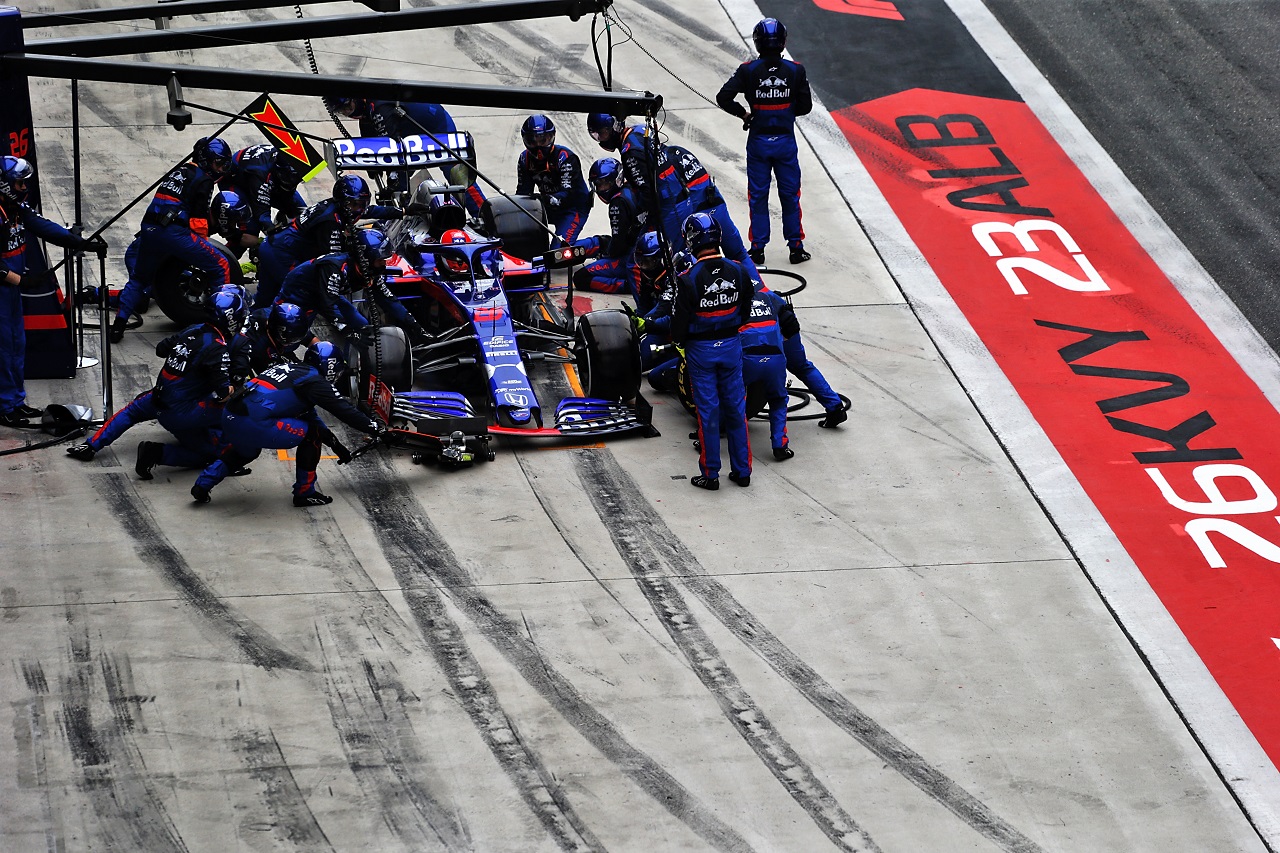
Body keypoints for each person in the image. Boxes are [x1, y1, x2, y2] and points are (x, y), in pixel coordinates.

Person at [190, 340, 385, 507]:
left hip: (231, 416)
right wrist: (374, 428)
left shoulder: (295, 370)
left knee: (246, 452)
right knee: (311, 436)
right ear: (331, 366)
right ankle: (305, 492)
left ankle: (202, 484)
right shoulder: (316, 382)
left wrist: (336, 445)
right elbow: (344, 410)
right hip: (253, 421)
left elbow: (310, 415)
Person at [0, 156, 107, 427]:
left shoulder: (15, 208)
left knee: (15, 345)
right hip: (3, 289)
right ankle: (4, 405)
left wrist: (82, 243)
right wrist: (19, 281)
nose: (24, 187)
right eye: (19, 183)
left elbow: (46, 228)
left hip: (8, 292)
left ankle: (14, 402)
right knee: (3, 348)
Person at [111, 137, 234, 342]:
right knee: (220, 264)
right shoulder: (203, 179)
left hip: (149, 230)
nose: (221, 169)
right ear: (205, 160)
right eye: (218, 163)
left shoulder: (178, 171)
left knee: (139, 279)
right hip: (174, 233)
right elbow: (198, 223)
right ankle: (222, 323)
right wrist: (203, 250)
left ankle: (118, 326)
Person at [716, 17, 813, 265]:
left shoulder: (748, 70)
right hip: (785, 143)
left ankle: (757, 249)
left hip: (758, 143)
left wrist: (745, 114)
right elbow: (805, 107)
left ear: (758, 42)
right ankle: (795, 248)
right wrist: (785, 110)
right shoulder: (796, 70)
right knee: (790, 195)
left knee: (757, 196)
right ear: (782, 42)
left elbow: (723, 96)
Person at [671, 212, 754, 490]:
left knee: (708, 412)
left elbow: (678, 325)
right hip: (731, 345)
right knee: (736, 409)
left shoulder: (687, 279)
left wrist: (682, 340)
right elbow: (745, 313)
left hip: (700, 350)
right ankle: (742, 472)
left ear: (691, 241)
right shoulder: (740, 271)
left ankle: (711, 475)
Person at [253, 174, 400, 309]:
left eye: (362, 203)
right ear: (343, 201)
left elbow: (372, 211)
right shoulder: (330, 222)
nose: (359, 209)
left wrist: (404, 211)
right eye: (355, 204)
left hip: (271, 247)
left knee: (263, 301)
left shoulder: (337, 207)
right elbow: (332, 261)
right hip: (282, 256)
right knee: (299, 297)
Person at [272, 228, 430, 346]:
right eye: (380, 260)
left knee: (362, 326)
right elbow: (328, 305)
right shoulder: (333, 268)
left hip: (330, 294)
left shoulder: (370, 270)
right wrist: (349, 333)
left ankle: (355, 365)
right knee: (291, 334)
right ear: (365, 257)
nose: (384, 264)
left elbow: (389, 299)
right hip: (300, 294)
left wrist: (414, 325)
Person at [331, 97, 487, 215]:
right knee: (398, 185)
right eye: (341, 111)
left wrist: (391, 175)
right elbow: (372, 144)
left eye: (347, 107)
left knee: (456, 173)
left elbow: (390, 145)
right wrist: (373, 169)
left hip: (435, 127)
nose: (346, 113)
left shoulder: (379, 108)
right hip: (407, 133)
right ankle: (403, 215)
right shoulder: (367, 112)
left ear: (356, 99)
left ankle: (484, 215)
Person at [586, 113, 691, 251]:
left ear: (615, 127)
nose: (600, 139)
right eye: (596, 136)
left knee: (649, 255)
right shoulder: (639, 131)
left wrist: (637, 222)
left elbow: (647, 191)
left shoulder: (630, 153)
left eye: (603, 133)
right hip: (679, 196)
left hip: (670, 205)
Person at [666, 143, 762, 282]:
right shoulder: (679, 151)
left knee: (689, 261)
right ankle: (762, 293)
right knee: (739, 254)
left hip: (695, 217)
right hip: (716, 205)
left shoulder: (661, 163)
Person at [570, 158, 646, 294]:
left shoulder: (618, 203)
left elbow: (618, 243)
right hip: (640, 246)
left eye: (604, 184)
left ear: (615, 180)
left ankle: (626, 285)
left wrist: (606, 256)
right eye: (598, 184)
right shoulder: (633, 189)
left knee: (581, 277)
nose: (601, 189)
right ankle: (567, 249)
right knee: (602, 241)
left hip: (630, 256)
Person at [515, 115, 592, 246]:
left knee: (558, 252)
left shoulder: (566, 157)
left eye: (543, 141)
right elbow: (523, 193)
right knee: (522, 239)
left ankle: (598, 244)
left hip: (573, 208)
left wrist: (543, 200)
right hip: (547, 207)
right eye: (532, 142)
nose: (538, 148)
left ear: (552, 137)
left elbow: (568, 194)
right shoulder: (524, 159)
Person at [740, 280, 793, 460]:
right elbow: (791, 321)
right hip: (776, 357)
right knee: (778, 400)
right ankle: (780, 446)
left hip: (747, 359)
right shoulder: (769, 296)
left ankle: (709, 438)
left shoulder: (730, 299)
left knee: (731, 399)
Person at [221, 143, 307, 242]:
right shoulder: (260, 176)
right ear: (279, 172)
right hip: (237, 182)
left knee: (303, 212)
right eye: (288, 179)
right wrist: (272, 233)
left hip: (266, 175)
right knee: (251, 229)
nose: (292, 183)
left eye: (296, 180)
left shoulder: (289, 162)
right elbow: (262, 215)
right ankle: (227, 253)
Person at [630, 231, 680, 392]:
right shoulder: (647, 275)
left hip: (678, 327)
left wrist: (646, 323)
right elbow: (643, 306)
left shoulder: (677, 273)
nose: (644, 266)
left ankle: (673, 355)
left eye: (649, 261)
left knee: (649, 369)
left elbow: (663, 308)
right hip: (658, 326)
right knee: (635, 361)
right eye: (641, 261)